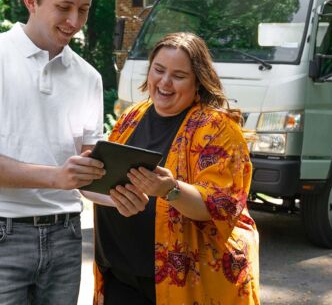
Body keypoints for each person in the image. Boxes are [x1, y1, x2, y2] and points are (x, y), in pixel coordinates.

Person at [0, 0, 148, 305]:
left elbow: (87, 174)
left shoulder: (88, 77)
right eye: (64, 7)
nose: (75, 21)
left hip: (65, 237)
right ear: (31, 0)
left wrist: (122, 196)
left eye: (83, 9)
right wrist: (57, 177)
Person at [93, 32, 260, 304]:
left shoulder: (218, 130)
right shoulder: (132, 116)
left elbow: (220, 206)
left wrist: (170, 190)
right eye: (158, 70)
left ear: (199, 81)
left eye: (179, 76)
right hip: (120, 275)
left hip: (185, 285)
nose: (164, 82)